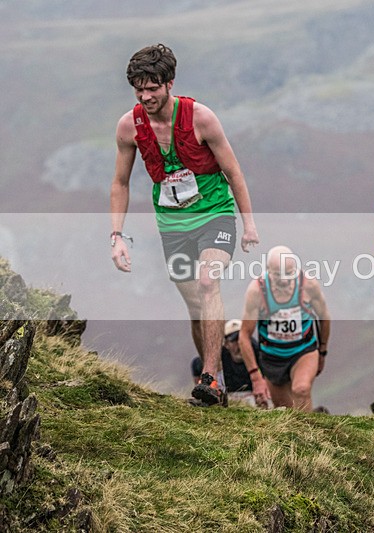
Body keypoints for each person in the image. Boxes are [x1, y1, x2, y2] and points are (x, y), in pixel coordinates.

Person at [110, 44, 259, 406]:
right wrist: (117, 236)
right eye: (139, 90)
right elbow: (120, 183)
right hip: (173, 225)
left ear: (169, 84)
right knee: (196, 307)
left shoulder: (201, 119)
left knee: (209, 283)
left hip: (215, 214)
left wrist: (249, 224)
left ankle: (208, 378)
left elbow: (233, 171)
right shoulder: (129, 126)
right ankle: (217, 384)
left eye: (153, 88)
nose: (146, 97)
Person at [238, 246, 331, 411]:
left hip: (303, 350)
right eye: (278, 275)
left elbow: (324, 316)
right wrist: (256, 377)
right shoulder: (257, 291)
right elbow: (244, 335)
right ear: (268, 271)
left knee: (301, 389)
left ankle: (309, 427)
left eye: (289, 274)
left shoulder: (308, 285)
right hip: (272, 357)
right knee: (285, 409)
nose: (284, 280)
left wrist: (322, 351)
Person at [220, 319, 270, 407]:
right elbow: (198, 365)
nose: (239, 343)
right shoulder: (220, 357)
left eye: (241, 338)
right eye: (235, 340)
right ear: (226, 344)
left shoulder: (259, 353)